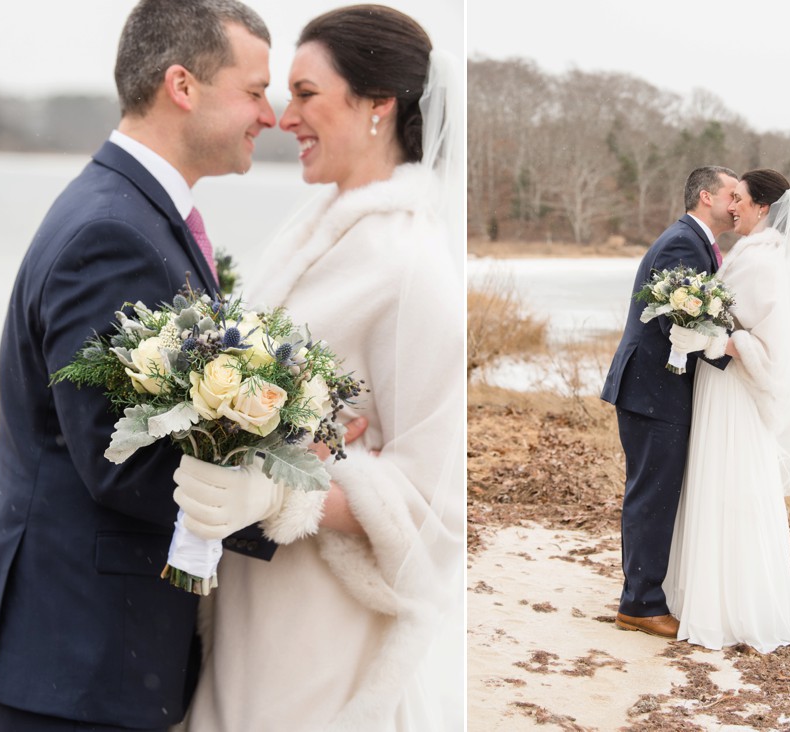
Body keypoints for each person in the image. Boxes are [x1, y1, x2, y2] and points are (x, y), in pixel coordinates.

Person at [0, 2, 280, 729]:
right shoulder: (113, 233)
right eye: (254, 89)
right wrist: (289, 499)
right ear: (183, 85)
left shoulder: (135, 214)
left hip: (85, 655)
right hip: (74, 659)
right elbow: (122, 461)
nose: (267, 114)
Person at [171, 5, 464, 730]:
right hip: (246, 603)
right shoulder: (312, 232)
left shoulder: (411, 267)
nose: (282, 115)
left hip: (323, 628)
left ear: (377, 104)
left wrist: (278, 497)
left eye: (305, 93)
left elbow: (435, 498)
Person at [663, 169, 790, 652]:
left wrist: (714, 340)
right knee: (717, 485)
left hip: (735, 393)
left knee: (730, 486)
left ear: (762, 208)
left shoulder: (764, 260)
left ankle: (731, 606)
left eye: (741, 199)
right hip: (721, 388)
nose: (732, 206)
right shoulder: (751, 253)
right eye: (731, 197)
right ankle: (708, 594)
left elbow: (766, 348)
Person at [600, 166, 738, 639]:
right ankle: (639, 604)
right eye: (731, 195)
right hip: (652, 391)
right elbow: (675, 324)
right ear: (706, 196)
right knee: (652, 496)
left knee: (652, 493)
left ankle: (641, 595)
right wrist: (740, 356)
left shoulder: (695, 241)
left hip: (654, 389)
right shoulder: (683, 242)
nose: (736, 205)